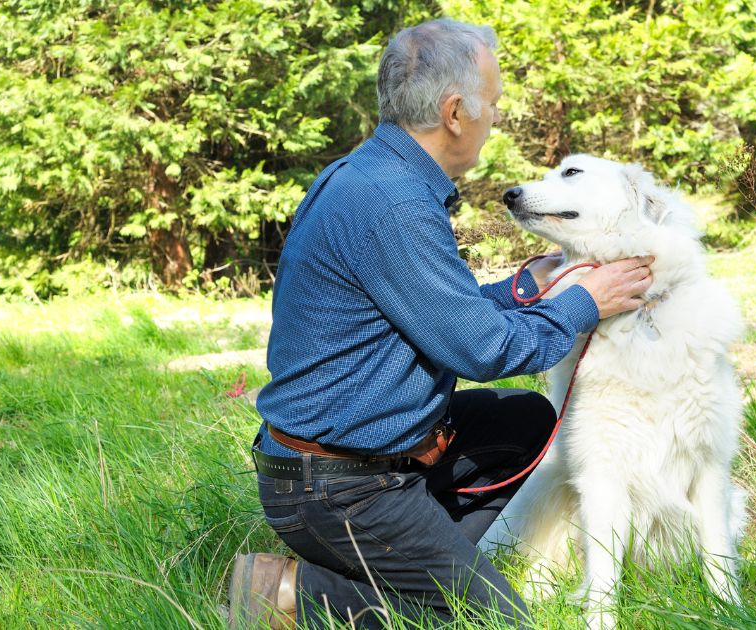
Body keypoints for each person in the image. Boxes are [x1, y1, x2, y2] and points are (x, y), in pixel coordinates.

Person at [227, 17, 654, 629]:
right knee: (493, 619)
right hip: (339, 490)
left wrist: (524, 289)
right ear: (455, 112)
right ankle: (291, 589)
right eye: (492, 104)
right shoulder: (394, 205)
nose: (494, 118)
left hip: (345, 463)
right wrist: (586, 299)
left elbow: (435, 315)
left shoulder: (371, 175)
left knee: (525, 421)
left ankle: (424, 562)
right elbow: (484, 350)